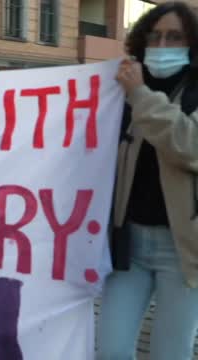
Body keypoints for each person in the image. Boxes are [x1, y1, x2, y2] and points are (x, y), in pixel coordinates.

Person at [98, 2, 198, 359]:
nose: (162, 46)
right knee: (110, 350)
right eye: (154, 37)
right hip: (129, 244)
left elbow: (190, 144)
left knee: (170, 354)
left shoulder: (143, 92)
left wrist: (140, 95)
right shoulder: (121, 89)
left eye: (174, 37)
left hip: (184, 251)